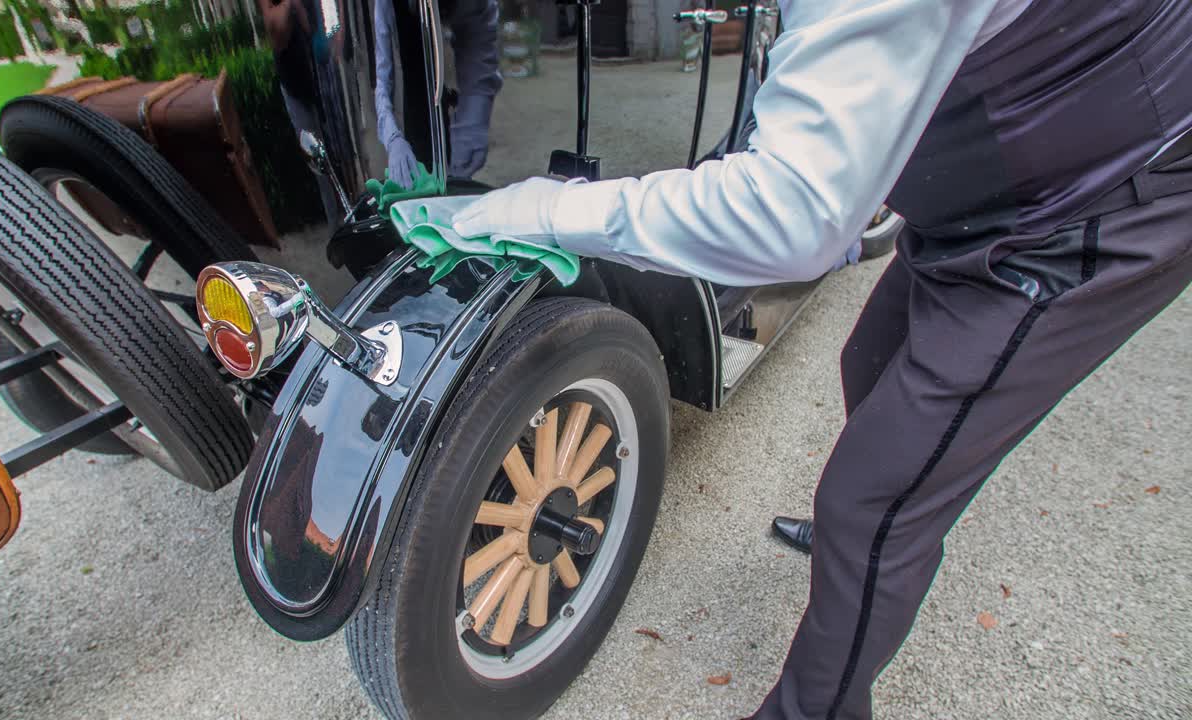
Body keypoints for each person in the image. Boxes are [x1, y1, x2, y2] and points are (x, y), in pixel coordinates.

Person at [450, 0, 1192, 718]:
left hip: (1088, 210)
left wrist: (547, 209)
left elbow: (790, 214)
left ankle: (821, 700)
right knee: (867, 362)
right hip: (992, 177)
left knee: (872, 502)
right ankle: (857, 541)